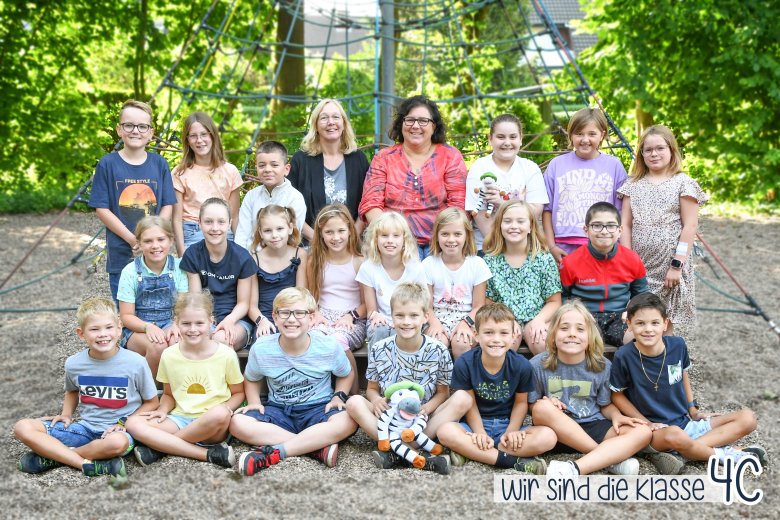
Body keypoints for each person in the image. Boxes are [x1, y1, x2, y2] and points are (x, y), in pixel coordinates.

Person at [610, 292, 766, 474]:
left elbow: (683, 374)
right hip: (655, 432)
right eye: (640, 323)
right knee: (675, 434)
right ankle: (724, 455)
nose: (648, 329)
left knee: (748, 418)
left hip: (685, 423)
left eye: (655, 323)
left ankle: (684, 452)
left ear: (665, 324)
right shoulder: (624, 356)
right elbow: (617, 396)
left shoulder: (677, 345)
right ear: (629, 324)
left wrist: (693, 410)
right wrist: (646, 424)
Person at [14, 297, 158, 477]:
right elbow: (72, 390)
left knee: (117, 444)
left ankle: (54, 457)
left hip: (118, 432)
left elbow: (152, 402)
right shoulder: (74, 363)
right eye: (94, 329)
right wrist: (66, 414)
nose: (103, 334)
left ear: (119, 328)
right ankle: (83, 462)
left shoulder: (136, 362)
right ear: (81, 334)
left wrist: (124, 424)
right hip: (84, 430)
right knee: (22, 427)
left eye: (108, 327)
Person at [345, 283, 472, 475]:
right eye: (400, 315)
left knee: (463, 398)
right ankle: (416, 453)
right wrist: (377, 400)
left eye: (413, 316)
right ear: (392, 316)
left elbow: (443, 393)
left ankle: (398, 452)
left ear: (425, 317)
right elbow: (371, 389)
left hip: (423, 420)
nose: (406, 322)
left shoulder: (438, 350)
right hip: (391, 419)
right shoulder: (380, 348)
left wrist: (427, 408)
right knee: (354, 402)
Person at [230, 288, 358, 475]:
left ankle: (278, 451)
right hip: (279, 410)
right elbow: (251, 378)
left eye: (299, 313)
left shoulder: (328, 346)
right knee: (237, 423)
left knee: (349, 420)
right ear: (274, 316)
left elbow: (346, 374)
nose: (291, 319)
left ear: (312, 318)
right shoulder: (262, 348)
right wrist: (254, 402)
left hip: (318, 409)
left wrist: (339, 396)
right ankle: (314, 446)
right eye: (284, 312)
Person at [529, 301, 652, 477]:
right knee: (541, 407)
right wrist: (547, 403)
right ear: (553, 333)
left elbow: (605, 405)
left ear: (590, 336)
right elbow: (531, 406)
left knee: (643, 432)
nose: (572, 334)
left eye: (580, 329)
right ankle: (606, 459)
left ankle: (576, 466)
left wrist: (617, 416)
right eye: (564, 328)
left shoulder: (602, 366)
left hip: (593, 425)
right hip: (557, 429)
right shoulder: (538, 365)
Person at [125, 292, 244, 468]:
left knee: (220, 413)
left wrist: (226, 409)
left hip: (211, 424)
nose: (193, 329)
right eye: (186, 323)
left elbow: (238, 393)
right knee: (133, 423)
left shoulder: (225, 354)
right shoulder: (169, 354)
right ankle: (207, 454)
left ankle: (161, 448)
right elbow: (168, 394)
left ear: (211, 321)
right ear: (176, 322)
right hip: (179, 419)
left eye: (199, 323)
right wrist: (163, 410)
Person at [436, 303, 555, 473]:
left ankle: (472, 452)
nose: (496, 339)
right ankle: (511, 461)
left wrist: (512, 432)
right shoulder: (465, 363)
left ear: (514, 335)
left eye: (504, 333)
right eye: (489, 332)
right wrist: (479, 433)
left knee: (548, 437)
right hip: (473, 424)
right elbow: (470, 405)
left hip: (506, 424)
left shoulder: (521, 365)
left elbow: (521, 403)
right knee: (445, 432)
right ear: (476, 335)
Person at [618, 125, 709, 333]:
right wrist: (628, 262)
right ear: (641, 154)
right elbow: (626, 225)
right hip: (640, 264)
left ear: (671, 150)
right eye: (648, 150)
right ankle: (642, 363)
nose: (654, 154)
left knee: (663, 321)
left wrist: (676, 265)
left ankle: (669, 363)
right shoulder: (633, 184)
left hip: (669, 266)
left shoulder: (683, 183)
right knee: (639, 317)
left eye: (660, 148)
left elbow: (690, 225)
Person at [89, 99, 177, 303]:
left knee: (157, 310)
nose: (135, 131)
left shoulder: (159, 163)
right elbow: (102, 209)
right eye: (129, 125)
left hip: (155, 253)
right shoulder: (107, 164)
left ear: (150, 132)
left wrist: (154, 237)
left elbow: (167, 205)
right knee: (126, 313)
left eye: (142, 126)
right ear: (119, 129)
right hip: (122, 253)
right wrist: (133, 240)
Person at [359, 95, 467, 259]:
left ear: (434, 126)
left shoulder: (450, 156)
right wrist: (393, 239)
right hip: (394, 246)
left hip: (440, 246)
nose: (415, 126)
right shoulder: (384, 158)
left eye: (423, 121)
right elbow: (371, 204)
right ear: (401, 124)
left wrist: (444, 242)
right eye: (409, 120)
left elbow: (458, 205)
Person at [542, 108, 627, 266]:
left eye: (592, 134)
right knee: (565, 289)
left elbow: (622, 211)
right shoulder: (556, 165)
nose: (585, 139)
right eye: (579, 133)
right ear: (571, 135)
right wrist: (551, 246)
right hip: (563, 246)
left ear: (602, 135)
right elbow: (547, 210)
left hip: (603, 245)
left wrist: (617, 246)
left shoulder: (614, 165)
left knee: (597, 290)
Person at [559, 202, 648, 346]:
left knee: (639, 339)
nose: (604, 231)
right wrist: (575, 313)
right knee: (574, 342)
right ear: (586, 230)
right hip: (584, 318)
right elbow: (562, 296)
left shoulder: (632, 259)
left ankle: (625, 368)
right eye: (597, 225)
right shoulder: (570, 262)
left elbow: (642, 294)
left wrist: (633, 310)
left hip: (621, 318)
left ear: (620, 230)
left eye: (611, 226)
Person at [483, 200, 561, 354]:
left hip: (538, 318)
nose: (514, 226)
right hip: (503, 320)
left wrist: (539, 320)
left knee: (540, 341)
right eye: (507, 221)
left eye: (520, 221)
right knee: (506, 342)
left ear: (531, 227)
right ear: (499, 225)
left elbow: (554, 301)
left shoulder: (543, 259)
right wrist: (507, 321)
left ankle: (540, 378)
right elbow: (488, 300)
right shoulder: (490, 261)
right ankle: (505, 378)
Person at [288, 99, 370, 242]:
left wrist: (352, 238)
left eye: (336, 117)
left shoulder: (358, 159)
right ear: (316, 126)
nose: (331, 122)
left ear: (344, 124)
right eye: (324, 118)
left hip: (353, 242)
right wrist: (317, 240)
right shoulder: (301, 160)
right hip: (311, 243)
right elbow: (289, 206)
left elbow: (368, 202)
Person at [306, 204, 367, 395]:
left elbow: (367, 303)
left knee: (338, 341)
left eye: (341, 230)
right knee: (312, 339)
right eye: (329, 232)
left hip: (352, 319)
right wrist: (315, 313)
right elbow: (310, 296)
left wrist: (351, 316)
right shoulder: (315, 261)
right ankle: (318, 393)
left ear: (350, 230)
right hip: (321, 315)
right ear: (321, 234)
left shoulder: (359, 261)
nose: (336, 237)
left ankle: (352, 395)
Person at [180, 198, 256, 350]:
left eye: (221, 222)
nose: (215, 228)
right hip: (205, 318)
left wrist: (229, 320)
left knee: (220, 341)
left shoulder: (242, 257)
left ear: (229, 223)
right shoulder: (193, 254)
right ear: (199, 223)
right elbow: (197, 298)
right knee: (193, 340)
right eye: (208, 222)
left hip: (236, 319)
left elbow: (243, 304)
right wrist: (205, 323)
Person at [465, 114, 549, 251]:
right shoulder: (479, 168)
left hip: (524, 247)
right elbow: (479, 216)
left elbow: (534, 213)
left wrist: (501, 203)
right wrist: (505, 250)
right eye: (501, 137)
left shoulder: (530, 168)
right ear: (490, 139)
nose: (507, 142)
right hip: (488, 247)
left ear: (521, 139)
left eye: (513, 137)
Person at [118, 216, 189, 376]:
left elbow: (183, 306)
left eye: (161, 239)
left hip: (172, 322)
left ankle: (176, 392)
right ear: (140, 243)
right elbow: (126, 316)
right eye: (148, 241)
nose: (155, 246)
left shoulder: (179, 267)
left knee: (177, 343)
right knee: (157, 345)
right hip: (139, 328)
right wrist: (147, 327)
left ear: (171, 240)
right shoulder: (130, 271)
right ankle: (151, 393)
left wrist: (177, 324)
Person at [422, 208, 492, 359]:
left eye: (457, 234)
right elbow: (426, 306)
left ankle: (461, 382)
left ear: (467, 236)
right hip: (436, 317)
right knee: (435, 343)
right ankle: (440, 383)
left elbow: (479, 306)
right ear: (437, 236)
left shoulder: (477, 264)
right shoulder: (428, 264)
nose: (451, 239)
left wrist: (465, 323)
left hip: (468, 317)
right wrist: (434, 323)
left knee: (461, 342)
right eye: (445, 234)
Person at [172, 111, 243, 254]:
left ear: (212, 136)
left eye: (204, 134)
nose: (199, 140)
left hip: (223, 231)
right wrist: (181, 253)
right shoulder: (180, 173)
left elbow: (235, 216)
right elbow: (177, 219)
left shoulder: (230, 171)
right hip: (192, 231)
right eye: (193, 136)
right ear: (187, 140)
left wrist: (240, 249)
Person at [356, 212, 427, 348]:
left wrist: (404, 322)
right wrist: (376, 316)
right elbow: (372, 310)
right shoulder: (368, 268)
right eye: (384, 235)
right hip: (381, 321)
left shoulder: (415, 268)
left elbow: (422, 304)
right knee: (379, 329)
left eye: (396, 236)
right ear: (375, 239)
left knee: (407, 329)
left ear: (404, 240)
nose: (390, 240)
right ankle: (377, 369)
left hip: (409, 319)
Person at [234, 141, 306, 251]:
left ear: (286, 169)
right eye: (262, 165)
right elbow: (242, 235)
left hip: (282, 259)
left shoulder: (295, 198)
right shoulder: (251, 196)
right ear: (257, 168)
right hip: (250, 258)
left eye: (274, 165)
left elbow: (292, 238)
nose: (267, 169)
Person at [249, 205, 308, 338]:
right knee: (265, 343)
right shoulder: (254, 260)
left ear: (290, 228)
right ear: (260, 232)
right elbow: (251, 306)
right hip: (266, 319)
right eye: (268, 230)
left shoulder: (300, 254)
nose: (274, 235)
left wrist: (291, 319)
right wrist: (261, 321)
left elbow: (301, 296)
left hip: (293, 316)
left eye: (280, 229)